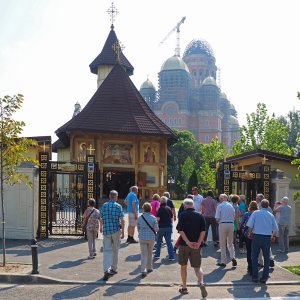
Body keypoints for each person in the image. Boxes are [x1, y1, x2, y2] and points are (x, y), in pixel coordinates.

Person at [176, 198, 207, 298]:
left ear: (185, 206)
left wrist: (187, 242)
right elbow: (203, 231)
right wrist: (198, 242)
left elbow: (181, 230)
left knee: (183, 266)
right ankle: (201, 282)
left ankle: (184, 287)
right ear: (193, 205)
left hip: (184, 245)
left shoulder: (182, 215)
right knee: (197, 267)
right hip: (196, 246)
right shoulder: (200, 215)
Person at [246, 199, 278, 283]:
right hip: (267, 237)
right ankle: (264, 277)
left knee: (254, 256)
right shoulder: (270, 215)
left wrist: (250, 233)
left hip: (257, 236)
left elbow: (250, 225)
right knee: (266, 257)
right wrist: (273, 235)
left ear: (260, 205)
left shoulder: (256, 213)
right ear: (268, 206)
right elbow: (275, 228)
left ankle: (255, 276)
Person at [99, 190, 125, 281]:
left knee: (106, 250)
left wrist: (101, 227)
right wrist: (123, 232)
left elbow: (101, 217)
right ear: (116, 197)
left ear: (110, 196)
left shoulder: (104, 205)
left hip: (106, 230)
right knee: (115, 249)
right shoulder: (118, 206)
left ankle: (106, 269)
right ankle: (113, 268)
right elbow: (122, 220)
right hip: (115, 230)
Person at [215, 193, 237, 267]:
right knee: (230, 243)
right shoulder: (231, 206)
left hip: (223, 224)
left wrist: (219, 222)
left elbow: (217, 218)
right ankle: (233, 257)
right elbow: (234, 217)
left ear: (221, 199)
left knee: (222, 243)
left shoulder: (220, 206)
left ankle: (223, 261)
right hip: (231, 224)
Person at [137, 202, 159, 277]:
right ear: (150, 209)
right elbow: (156, 229)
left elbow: (138, 228)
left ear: (143, 208)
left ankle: (143, 269)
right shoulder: (153, 218)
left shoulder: (140, 218)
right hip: (151, 237)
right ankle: (149, 267)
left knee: (143, 254)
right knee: (150, 252)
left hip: (142, 237)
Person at [256, 193, 275, 268]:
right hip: (268, 230)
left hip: (260, 230)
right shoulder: (269, 208)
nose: (256, 199)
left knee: (259, 247)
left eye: (257, 198)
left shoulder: (258, 207)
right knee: (267, 246)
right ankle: (270, 259)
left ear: (259, 199)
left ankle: (261, 262)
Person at [240, 200, 258, 275]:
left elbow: (242, 224)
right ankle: (254, 267)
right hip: (256, 234)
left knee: (249, 251)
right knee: (255, 252)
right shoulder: (258, 214)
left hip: (248, 235)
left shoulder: (246, 214)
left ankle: (249, 267)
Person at [154, 196, 174, 261]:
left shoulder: (160, 209)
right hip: (169, 227)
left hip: (161, 227)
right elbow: (171, 219)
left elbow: (158, 219)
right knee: (169, 242)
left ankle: (157, 255)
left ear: (160, 201)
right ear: (166, 202)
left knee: (159, 241)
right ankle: (171, 256)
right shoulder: (168, 208)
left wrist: (155, 225)